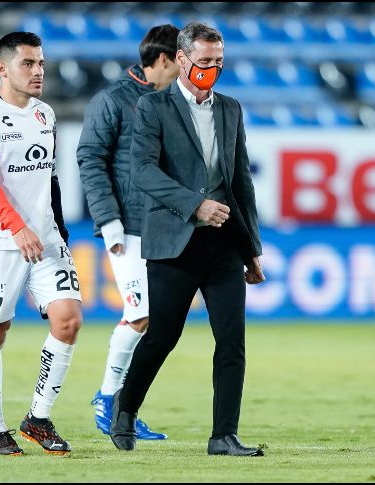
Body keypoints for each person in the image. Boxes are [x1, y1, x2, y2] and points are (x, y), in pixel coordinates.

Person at [109, 22, 266, 456]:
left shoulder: (230, 109)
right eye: (204, 62)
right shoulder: (153, 107)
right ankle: (125, 409)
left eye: (219, 62)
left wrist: (252, 249)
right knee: (162, 335)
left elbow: (241, 182)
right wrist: (194, 206)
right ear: (181, 60)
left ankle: (223, 436)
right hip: (174, 240)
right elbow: (141, 171)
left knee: (232, 339)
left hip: (224, 244)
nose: (212, 69)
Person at [0, 31, 82, 456]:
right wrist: (16, 226)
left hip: (45, 238)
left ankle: (38, 417)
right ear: (2, 68)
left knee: (68, 319)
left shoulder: (45, 114)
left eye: (41, 64)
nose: (38, 71)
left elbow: (49, 178)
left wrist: (58, 229)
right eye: (28, 64)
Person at [77, 24, 180, 442]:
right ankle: (108, 401)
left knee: (154, 320)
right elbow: (90, 158)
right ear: (161, 60)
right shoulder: (113, 101)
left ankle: (122, 406)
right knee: (142, 316)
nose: (186, 71)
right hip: (127, 227)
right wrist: (108, 219)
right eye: (181, 63)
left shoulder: (175, 102)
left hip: (163, 226)